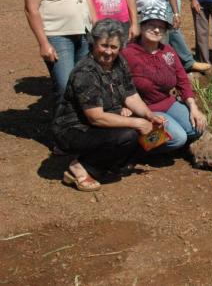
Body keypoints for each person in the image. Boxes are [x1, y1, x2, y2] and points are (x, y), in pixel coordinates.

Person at [51, 19, 165, 192]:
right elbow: (96, 117)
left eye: (114, 47)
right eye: (104, 45)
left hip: (101, 119)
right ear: (94, 43)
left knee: (149, 129)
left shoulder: (119, 62)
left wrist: (149, 115)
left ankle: (112, 163)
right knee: (128, 134)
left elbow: (130, 94)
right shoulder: (86, 72)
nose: (108, 52)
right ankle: (81, 167)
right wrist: (138, 122)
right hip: (74, 128)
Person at [122, 6, 206, 153]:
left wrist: (194, 108)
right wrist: (121, 105)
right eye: (152, 25)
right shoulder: (128, 53)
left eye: (161, 27)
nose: (156, 30)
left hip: (168, 103)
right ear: (142, 26)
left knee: (198, 127)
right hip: (144, 109)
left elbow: (182, 80)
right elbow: (116, 82)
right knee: (179, 138)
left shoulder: (168, 51)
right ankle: (138, 148)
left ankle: (163, 142)